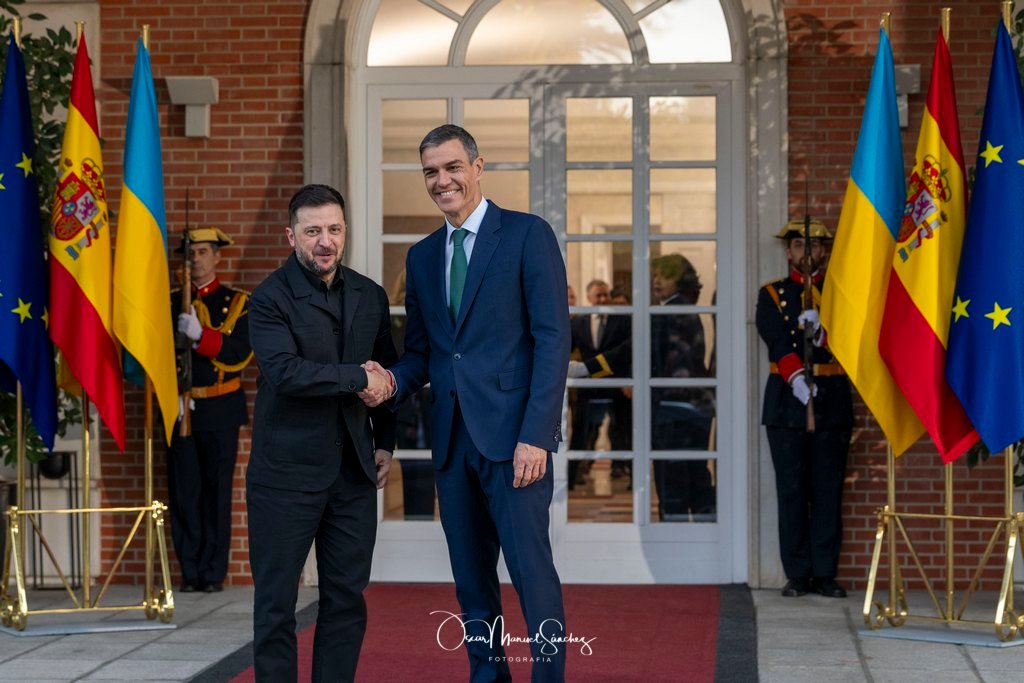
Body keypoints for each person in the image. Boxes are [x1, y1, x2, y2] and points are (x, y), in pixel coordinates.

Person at [364, 124, 570, 682]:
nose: (442, 180)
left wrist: (536, 435)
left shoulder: (527, 235)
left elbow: (553, 340)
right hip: (453, 444)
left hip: (515, 444)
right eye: (431, 171)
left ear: (478, 167)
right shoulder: (423, 256)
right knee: (472, 585)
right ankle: (487, 676)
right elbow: (424, 353)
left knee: (532, 577)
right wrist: (387, 382)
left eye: (452, 167)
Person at [246, 184, 397, 682]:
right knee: (276, 605)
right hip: (284, 477)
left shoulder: (371, 295)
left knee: (346, 600)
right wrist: (358, 377)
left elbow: (388, 375)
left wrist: (385, 442)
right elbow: (285, 372)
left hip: (353, 475)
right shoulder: (268, 299)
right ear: (292, 236)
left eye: (334, 229)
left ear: (345, 231)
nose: (325, 241)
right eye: (313, 231)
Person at [755, 219, 852, 599]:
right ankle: (797, 573)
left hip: (831, 401)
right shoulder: (772, 294)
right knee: (792, 491)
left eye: (813, 245)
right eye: (798, 245)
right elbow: (775, 338)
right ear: (788, 251)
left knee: (827, 491)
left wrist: (822, 333)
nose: (806, 252)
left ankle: (825, 573)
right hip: (786, 402)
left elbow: (850, 339)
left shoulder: (839, 292)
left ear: (823, 251)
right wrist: (796, 377)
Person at [169, 227, 252, 593]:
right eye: (191, 252)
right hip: (180, 409)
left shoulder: (238, 303)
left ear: (217, 256)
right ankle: (190, 572)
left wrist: (202, 336)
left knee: (217, 493)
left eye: (203, 251)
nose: (196, 259)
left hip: (220, 408)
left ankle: (213, 573)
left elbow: (239, 354)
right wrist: (170, 392)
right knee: (184, 492)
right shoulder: (170, 302)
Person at [649, 254, 716, 522]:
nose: (656, 280)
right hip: (697, 406)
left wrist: (592, 367)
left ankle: (674, 535)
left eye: (665, 275)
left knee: (672, 482)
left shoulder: (668, 311)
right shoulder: (686, 308)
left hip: (673, 408)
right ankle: (705, 530)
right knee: (697, 476)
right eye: (655, 274)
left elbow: (634, 350)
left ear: (679, 280)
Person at [566, 279, 631, 489]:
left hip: (617, 387)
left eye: (606, 295)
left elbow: (630, 353)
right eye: (598, 296)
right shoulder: (578, 323)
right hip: (588, 388)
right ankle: (570, 479)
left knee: (624, 433)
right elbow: (565, 350)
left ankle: (634, 478)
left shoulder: (623, 321)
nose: (603, 299)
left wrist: (629, 380)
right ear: (589, 298)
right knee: (580, 433)